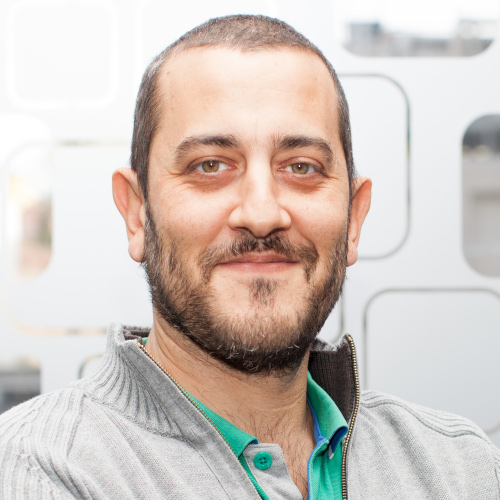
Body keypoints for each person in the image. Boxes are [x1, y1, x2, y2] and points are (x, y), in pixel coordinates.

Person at [0, 14, 498, 500]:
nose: (261, 214)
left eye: (301, 167)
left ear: (354, 217)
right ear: (137, 215)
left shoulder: (461, 467)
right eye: (209, 165)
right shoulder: (40, 473)